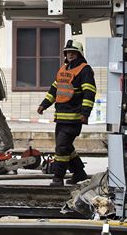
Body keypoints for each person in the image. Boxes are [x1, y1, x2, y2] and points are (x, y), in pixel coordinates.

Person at [37, 40, 96, 186]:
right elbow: (54, 90)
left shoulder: (85, 70)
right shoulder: (63, 69)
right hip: (61, 118)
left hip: (74, 118)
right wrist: (44, 105)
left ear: (79, 54)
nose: (70, 54)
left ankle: (58, 177)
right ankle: (79, 173)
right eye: (68, 52)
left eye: (73, 52)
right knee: (67, 147)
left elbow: (90, 93)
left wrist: (85, 113)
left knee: (62, 148)